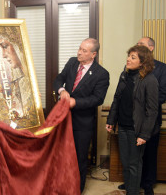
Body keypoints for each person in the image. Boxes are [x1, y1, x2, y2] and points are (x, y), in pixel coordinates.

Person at [53, 38, 110, 192]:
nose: (79, 52)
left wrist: (75, 102)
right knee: (60, 154)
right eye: (80, 48)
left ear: (93, 54)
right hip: (62, 119)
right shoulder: (72, 62)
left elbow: (97, 99)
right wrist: (62, 90)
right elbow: (59, 79)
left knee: (79, 158)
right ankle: (60, 185)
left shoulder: (101, 74)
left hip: (82, 123)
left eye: (84, 51)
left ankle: (77, 189)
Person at [106, 45, 158, 195]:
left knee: (135, 163)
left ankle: (133, 192)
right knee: (126, 162)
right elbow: (117, 100)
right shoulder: (125, 75)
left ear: (142, 62)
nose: (128, 59)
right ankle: (130, 188)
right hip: (122, 126)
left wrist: (144, 135)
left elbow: (152, 111)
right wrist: (111, 120)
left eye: (133, 57)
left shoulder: (150, 80)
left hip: (137, 130)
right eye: (129, 56)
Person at [117, 38, 166, 195]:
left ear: (149, 50)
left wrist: (141, 105)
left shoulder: (160, 70)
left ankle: (147, 185)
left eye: (141, 45)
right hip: (129, 122)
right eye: (136, 45)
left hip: (148, 121)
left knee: (149, 156)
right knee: (131, 160)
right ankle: (132, 185)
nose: (137, 47)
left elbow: (161, 95)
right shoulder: (127, 71)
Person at [0, 37, 37, 126]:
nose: (3, 55)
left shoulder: (30, 80)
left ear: (18, 46)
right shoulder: (14, 81)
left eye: (5, 47)